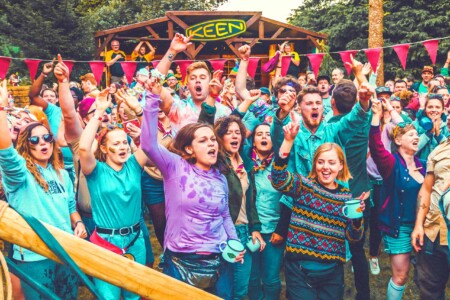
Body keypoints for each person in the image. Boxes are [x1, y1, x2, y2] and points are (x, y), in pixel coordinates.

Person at [141, 78, 243, 300]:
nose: (212, 144)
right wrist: (151, 98)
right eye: (204, 140)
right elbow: (148, 144)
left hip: (219, 260)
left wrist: (235, 244)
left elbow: (225, 215)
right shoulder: (175, 167)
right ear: (189, 147)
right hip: (180, 259)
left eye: (213, 140)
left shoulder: (220, 177)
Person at [0, 79, 86, 299]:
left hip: (65, 251)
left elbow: (69, 205)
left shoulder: (61, 173)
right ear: (25, 145)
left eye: (46, 137)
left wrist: (77, 222)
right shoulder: (20, 175)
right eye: (34, 140)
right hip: (33, 256)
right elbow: (6, 154)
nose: (42, 143)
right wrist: (1, 109)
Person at [271, 113, 364, 299]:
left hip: (332, 273)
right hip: (299, 270)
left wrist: (357, 219)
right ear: (315, 165)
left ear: (340, 166)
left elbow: (354, 238)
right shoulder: (303, 186)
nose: (325, 167)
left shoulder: (346, 197)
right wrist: (288, 141)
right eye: (320, 162)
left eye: (331, 162)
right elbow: (278, 179)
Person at [78, 88, 148, 299]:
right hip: (105, 242)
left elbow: (150, 142)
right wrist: (99, 113)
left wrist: (139, 111)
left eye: (125, 142)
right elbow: (83, 148)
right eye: (116, 143)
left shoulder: (135, 165)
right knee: (108, 297)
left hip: (135, 241)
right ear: (105, 148)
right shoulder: (95, 170)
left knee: (133, 296)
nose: (123, 147)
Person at [369, 99, 426, 300]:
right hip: (399, 227)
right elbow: (375, 147)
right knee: (401, 276)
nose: (416, 137)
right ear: (398, 141)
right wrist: (376, 115)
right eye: (411, 135)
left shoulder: (424, 165)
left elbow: (404, 126)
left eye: (417, 134)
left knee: (425, 276)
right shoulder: (391, 164)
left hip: (424, 227)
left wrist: (392, 110)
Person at [246, 124, 284, 300]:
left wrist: (281, 230)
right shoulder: (244, 163)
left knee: (270, 278)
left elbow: (288, 200)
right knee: (252, 277)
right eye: (259, 134)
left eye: (268, 134)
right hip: (249, 229)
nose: (263, 137)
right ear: (252, 140)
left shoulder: (281, 164)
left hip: (273, 232)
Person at [411, 137, 449, 300]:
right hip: (434, 232)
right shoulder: (439, 149)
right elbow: (426, 189)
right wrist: (419, 224)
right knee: (429, 288)